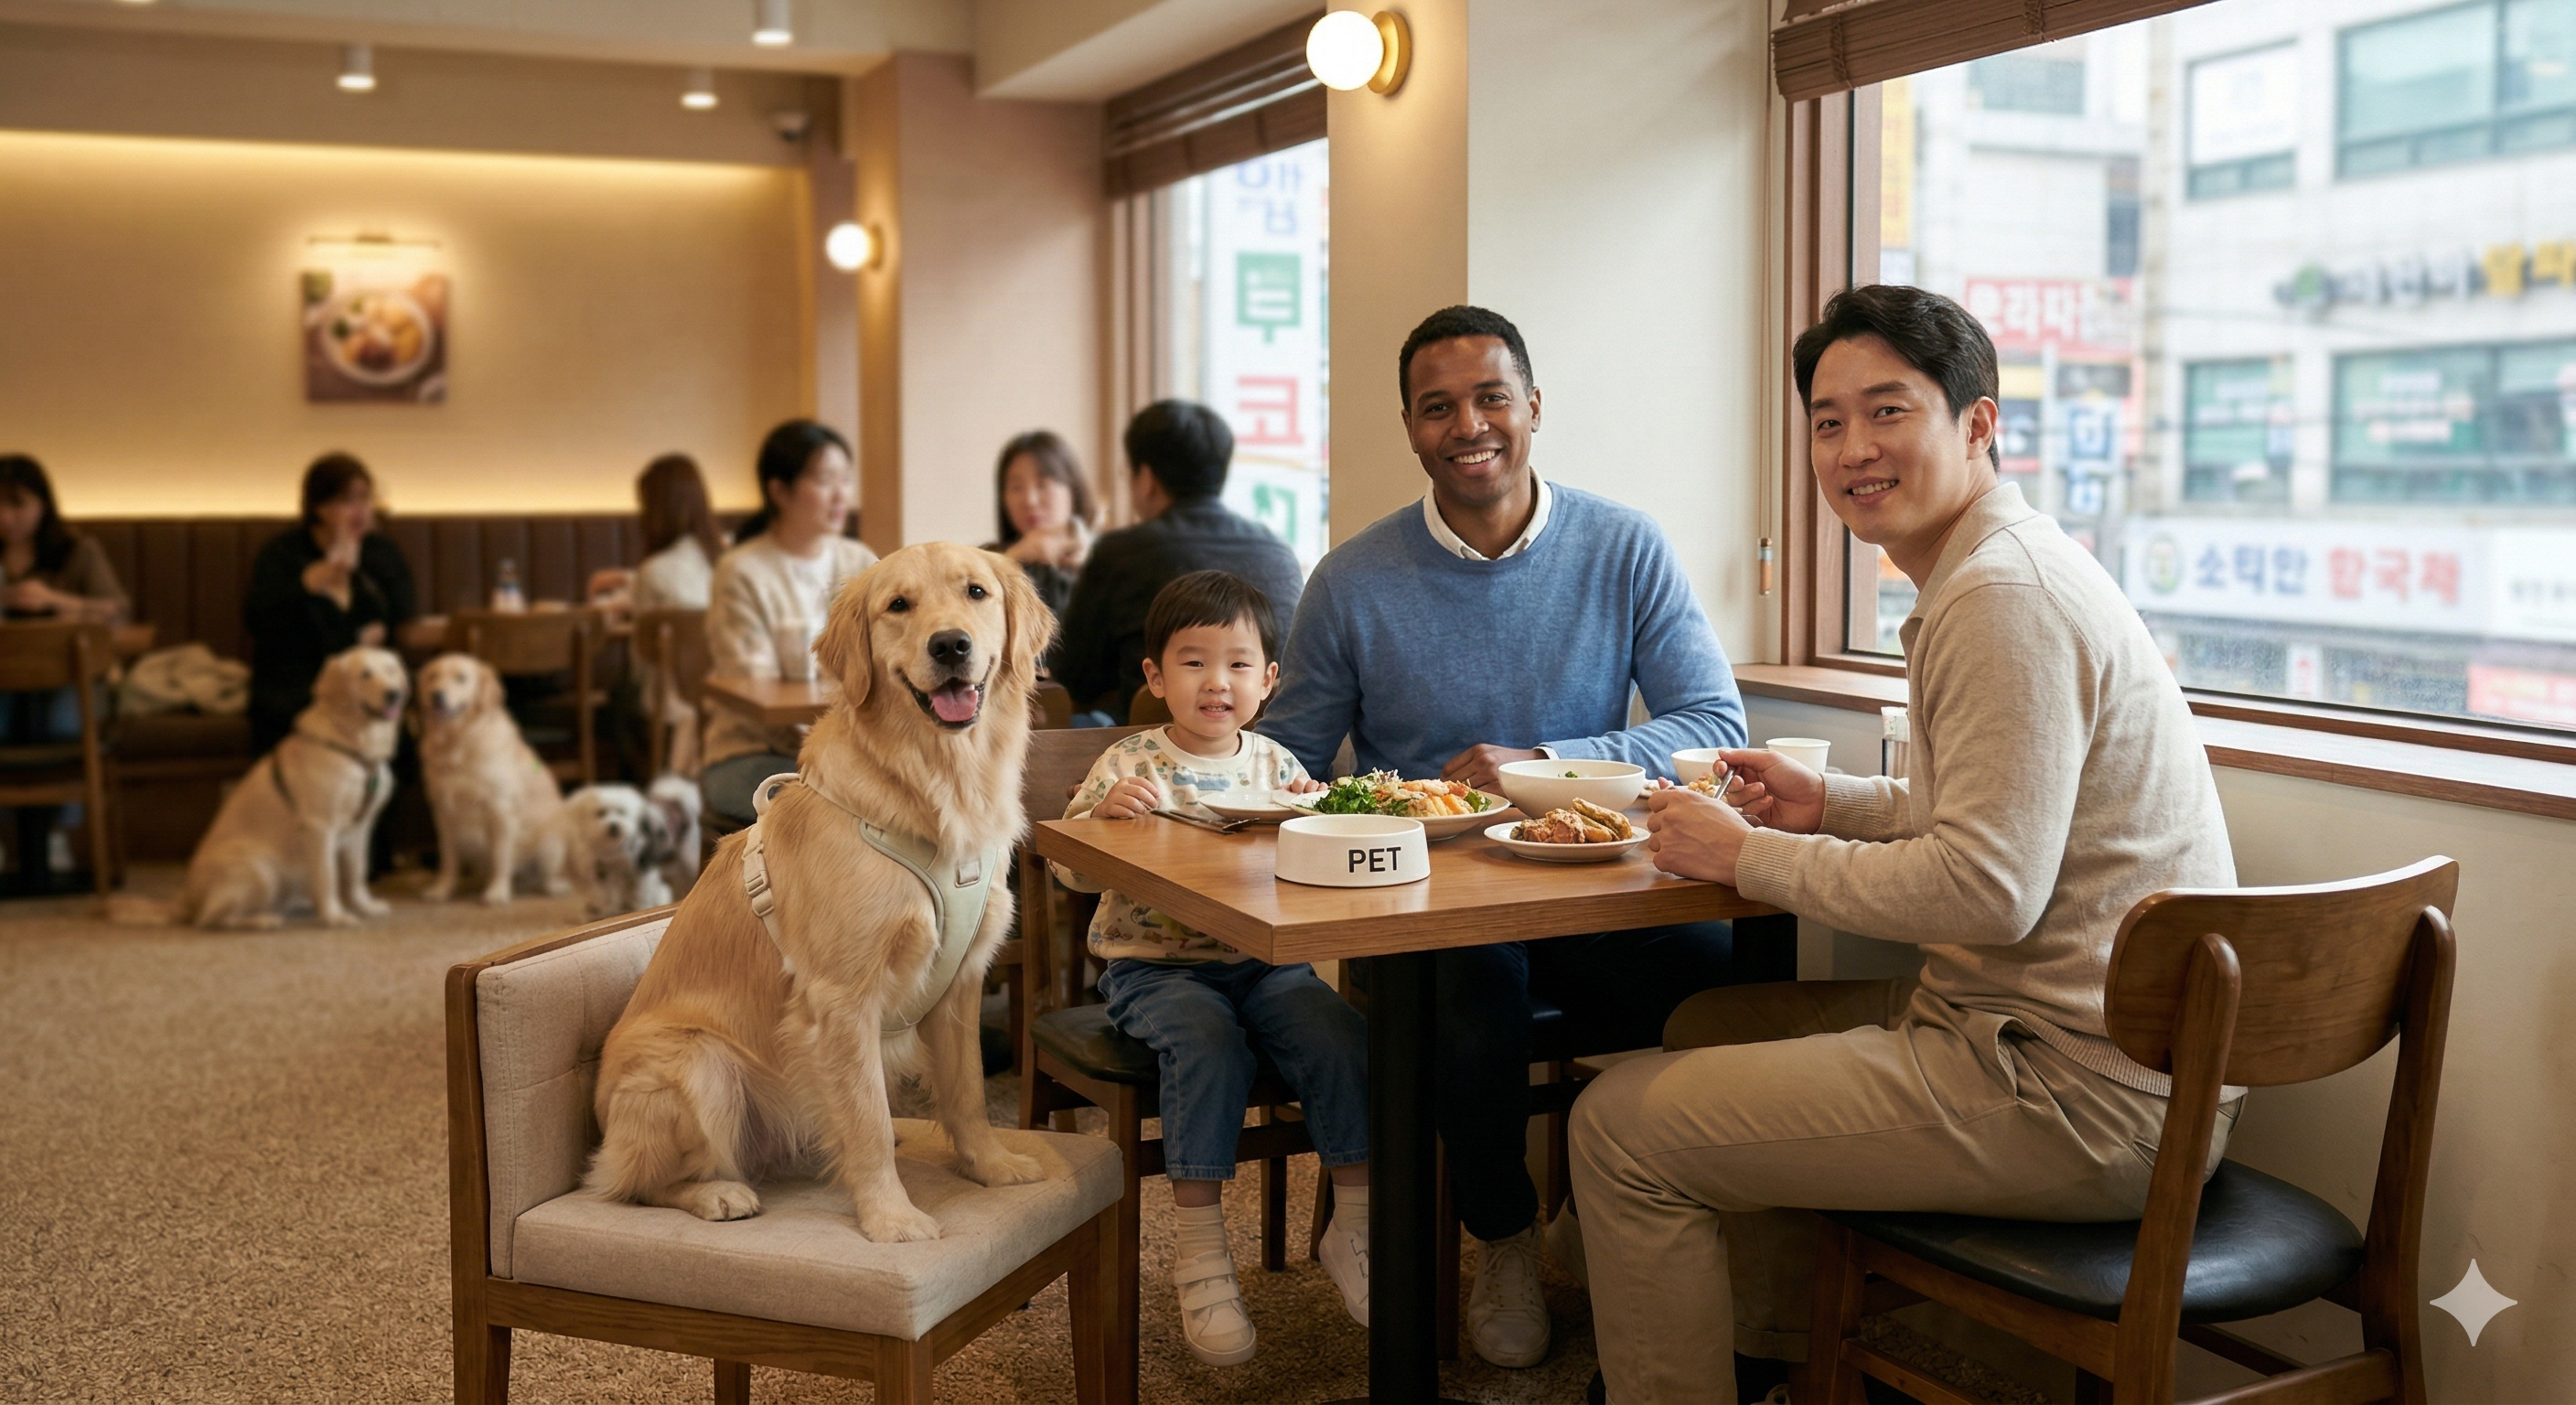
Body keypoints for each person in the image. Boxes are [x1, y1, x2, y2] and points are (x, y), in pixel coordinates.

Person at [1571, 285, 2238, 1405]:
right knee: (1704, 1025)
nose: (1852, 449)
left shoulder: (2001, 597)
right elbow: (1994, 815)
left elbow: (1985, 888)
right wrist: (1827, 800)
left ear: (1977, 425)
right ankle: (1778, 1360)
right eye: (1827, 422)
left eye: (1887, 412)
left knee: (1614, 1130)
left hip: (2075, 1090)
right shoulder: (1997, 566)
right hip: (2075, 1046)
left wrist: (1741, 857)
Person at [1258, 305, 1748, 1371]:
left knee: (1733, 972)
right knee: (1472, 989)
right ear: (1409, 428)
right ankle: (1505, 1236)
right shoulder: (1350, 580)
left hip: (1595, 892)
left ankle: (1622, 1204)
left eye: (1490, 398)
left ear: (1532, 407)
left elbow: (1713, 724)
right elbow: (1284, 761)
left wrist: (1544, 760)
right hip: (1428, 918)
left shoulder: (1622, 546)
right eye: (1437, 408)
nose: (1467, 425)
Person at [1051, 571, 1369, 1365]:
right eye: (1193, 662)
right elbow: (1069, 871)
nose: (1216, 682)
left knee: (1339, 1032)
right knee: (1206, 1042)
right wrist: (1101, 818)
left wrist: (1312, 813)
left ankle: (1357, 1228)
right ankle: (1201, 1254)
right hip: (1155, 968)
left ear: (1268, 681)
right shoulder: (1131, 762)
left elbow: (1304, 877)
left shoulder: (1276, 764)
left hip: (1264, 965)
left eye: (1237, 664)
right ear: (1156, 677)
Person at [1054, 402, 1302, 724]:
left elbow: (1074, 678)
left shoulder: (1122, 553)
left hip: (1156, 742)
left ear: (1146, 479)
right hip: (1272, 737)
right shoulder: (1278, 551)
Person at [698, 420, 875, 825]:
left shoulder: (859, 561)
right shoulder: (742, 571)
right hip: (751, 754)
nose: (841, 495)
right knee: (843, 812)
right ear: (779, 491)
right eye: (825, 480)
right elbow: (755, 689)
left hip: (851, 752)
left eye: (845, 480)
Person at [1, 454, 130, 890]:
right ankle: (12, 849)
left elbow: (117, 613)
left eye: (17, 504)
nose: (6, 518)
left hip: (68, 683)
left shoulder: (78, 552)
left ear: (43, 504)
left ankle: (58, 837)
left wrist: (56, 601)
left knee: (62, 722)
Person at [244, 453, 417, 758]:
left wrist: (379, 627)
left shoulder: (381, 552)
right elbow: (258, 620)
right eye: (348, 500)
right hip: (296, 681)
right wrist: (307, 585)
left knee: (400, 725)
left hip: (367, 680)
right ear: (319, 508)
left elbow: (402, 613)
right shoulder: (283, 553)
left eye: (366, 498)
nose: (360, 509)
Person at [596, 454, 726, 777]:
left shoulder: (653, 571)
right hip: (725, 699)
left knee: (615, 699)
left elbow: (641, 661)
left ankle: (641, 785)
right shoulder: (730, 561)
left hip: (671, 706)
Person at [986, 429, 1097, 620]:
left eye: (1043, 484)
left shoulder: (1106, 559)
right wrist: (1015, 557)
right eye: (1016, 488)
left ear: (1073, 490)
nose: (1030, 500)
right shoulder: (985, 559)